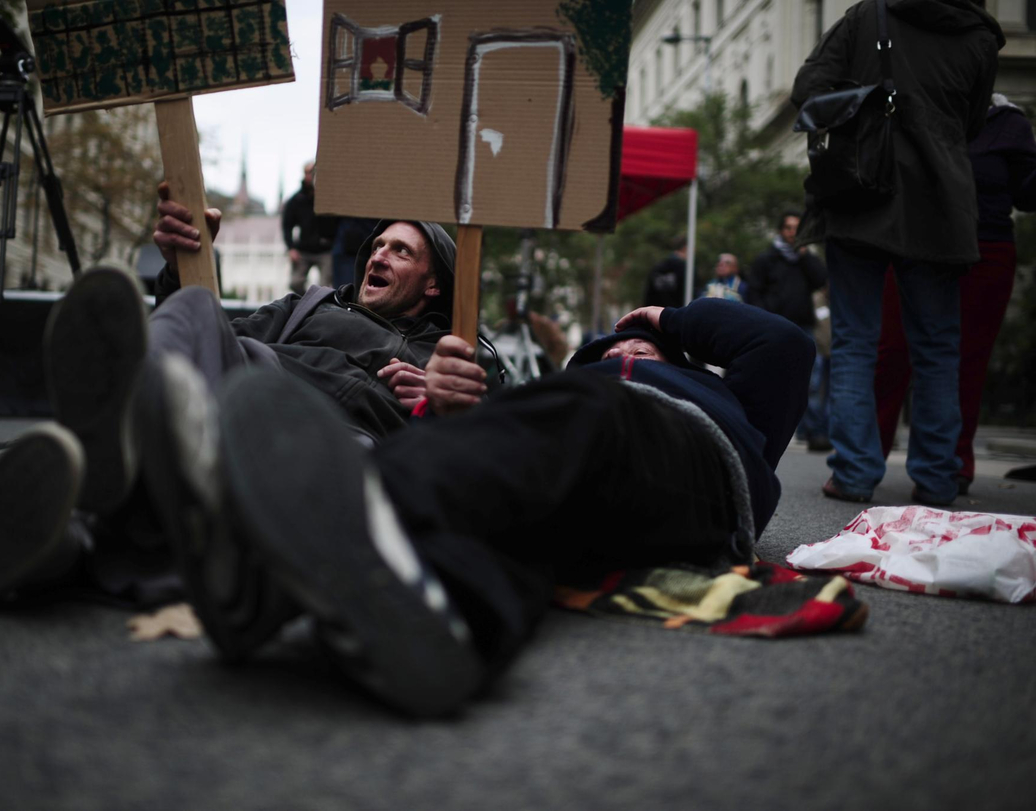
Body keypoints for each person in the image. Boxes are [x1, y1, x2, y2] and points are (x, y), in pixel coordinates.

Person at [136, 296, 812, 716]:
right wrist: (447, 410)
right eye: (611, 349)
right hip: (611, 492)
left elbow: (783, 345)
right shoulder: (569, 400)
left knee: (586, 413)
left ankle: (268, 555)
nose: (625, 351)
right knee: (519, 520)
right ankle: (450, 623)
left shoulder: (717, 404)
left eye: (639, 349)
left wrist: (667, 318)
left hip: (694, 472)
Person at [0, 187, 458, 611]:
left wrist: (440, 400)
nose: (378, 254)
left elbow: (479, 442)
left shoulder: (454, 350)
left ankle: (69, 540)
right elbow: (213, 339)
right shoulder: (310, 305)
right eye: (378, 245)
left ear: (433, 285)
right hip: (248, 385)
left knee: (204, 511)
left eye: (401, 250)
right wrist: (184, 262)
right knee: (193, 309)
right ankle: (125, 417)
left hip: (339, 439)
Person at [791, 0, 1003, 506]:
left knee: (856, 343)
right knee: (937, 350)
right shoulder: (979, 37)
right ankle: (936, 479)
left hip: (862, 197)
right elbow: (971, 123)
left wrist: (863, 106)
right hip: (940, 205)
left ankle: (855, 473)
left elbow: (809, 91)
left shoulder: (868, 17)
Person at [874, 93, 1036, 495]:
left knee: (967, 360)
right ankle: (862, 461)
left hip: (986, 247)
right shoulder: (919, 100)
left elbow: (1028, 195)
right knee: (891, 352)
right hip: (915, 243)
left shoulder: (1009, 122)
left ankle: (951, 463)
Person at [750, 211, 829, 449]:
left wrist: (805, 256)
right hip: (774, 328)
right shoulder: (767, 259)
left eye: (797, 228)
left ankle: (813, 432)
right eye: (789, 228)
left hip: (803, 328)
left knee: (810, 382)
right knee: (771, 379)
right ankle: (764, 430)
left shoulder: (806, 260)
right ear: (780, 231)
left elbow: (821, 280)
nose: (793, 233)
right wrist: (764, 317)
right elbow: (753, 291)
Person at [281, 161, 336, 295]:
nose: (312, 176)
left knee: (325, 286)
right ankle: (307, 301)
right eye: (310, 172)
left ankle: (318, 305)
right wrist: (291, 248)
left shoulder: (329, 197)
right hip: (304, 249)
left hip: (325, 249)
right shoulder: (296, 200)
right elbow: (287, 225)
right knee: (295, 282)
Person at [642, 235, 687, 308]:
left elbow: (648, 296)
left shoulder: (658, 267)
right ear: (685, 248)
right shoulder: (686, 270)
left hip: (657, 315)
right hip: (677, 315)